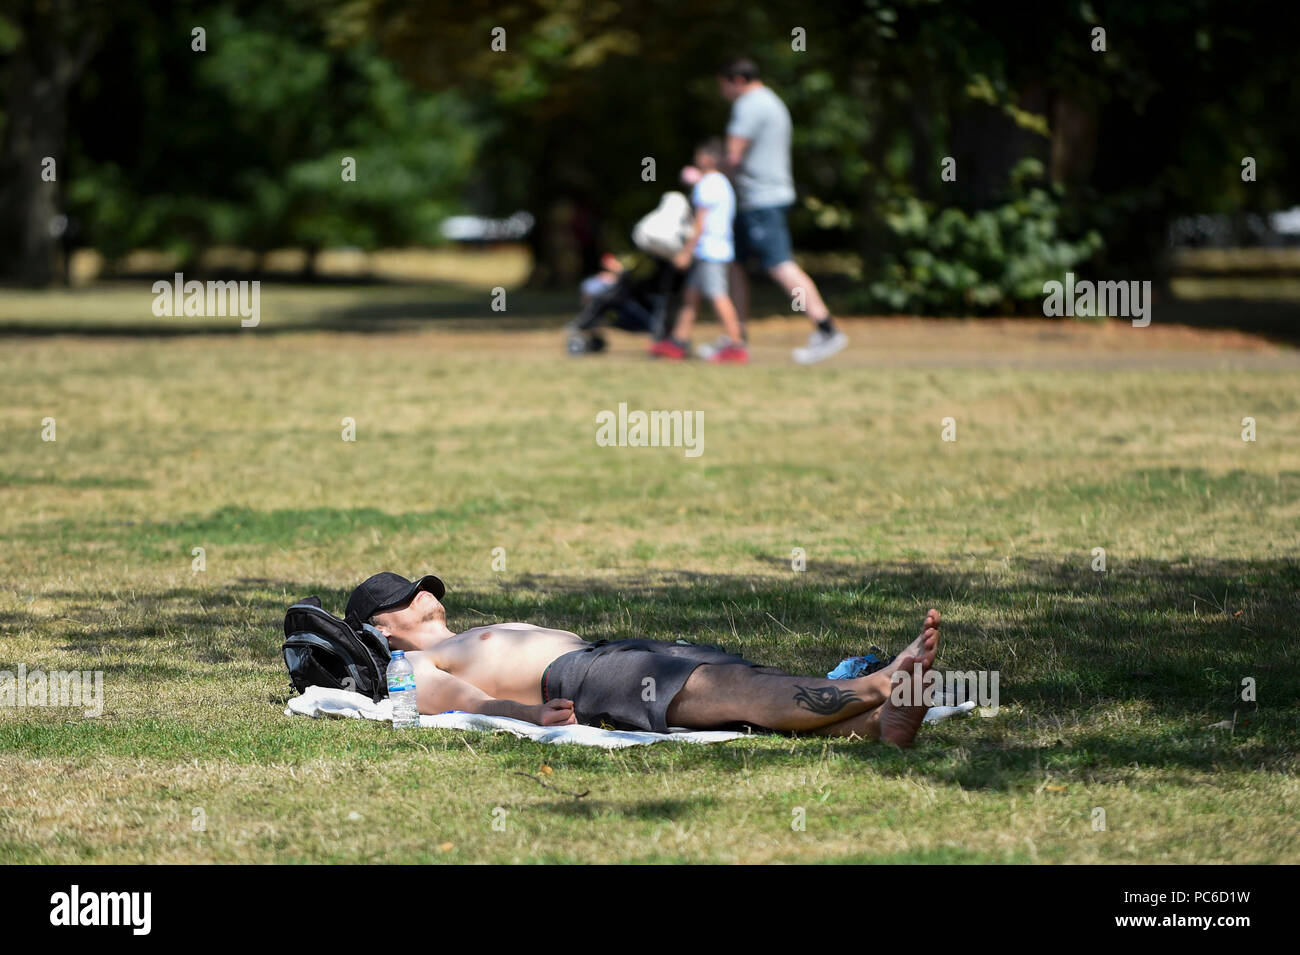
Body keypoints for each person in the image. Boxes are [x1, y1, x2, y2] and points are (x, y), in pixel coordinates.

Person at [346, 571, 942, 747]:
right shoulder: (408, 665)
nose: (426, 595)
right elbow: (446, 701)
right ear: (383, 630)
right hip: (579, 678)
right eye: (405, 598)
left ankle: (874, 725)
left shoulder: (463, 636)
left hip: (604, 656)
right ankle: (876, 687)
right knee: (724, 688)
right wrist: (522, 714)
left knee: (736, 681)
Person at [718, 57, 848, 365]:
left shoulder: (749, 105)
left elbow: (733, 156)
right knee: (733, 264)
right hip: (761, 197)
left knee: (780, 265)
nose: (722, 92)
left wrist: (706, 176)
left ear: (737, 80)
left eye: (722, 85)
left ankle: (826, 328)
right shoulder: (772, 101)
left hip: (760, 199)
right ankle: (736, 338)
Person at [648, 139, 748, 363]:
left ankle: (736, 344)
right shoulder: (722, 182)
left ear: (710, 158)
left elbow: (701, 222)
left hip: (709, 250)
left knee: (718, 296)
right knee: (691, 296)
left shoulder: (708, 184)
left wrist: (686, 251)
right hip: (717, 248)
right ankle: (678, 340)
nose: (696, 158)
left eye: (700, 154)